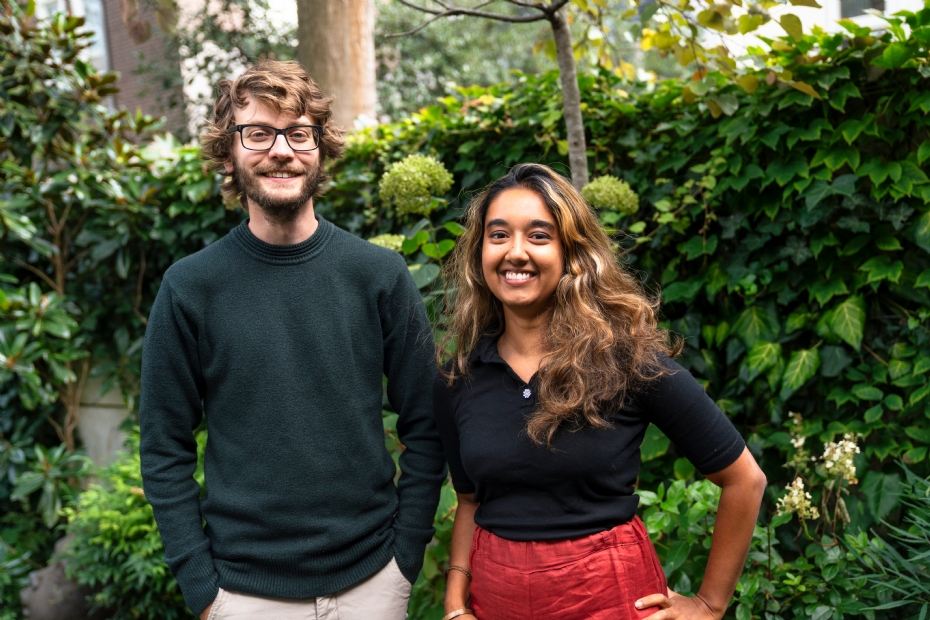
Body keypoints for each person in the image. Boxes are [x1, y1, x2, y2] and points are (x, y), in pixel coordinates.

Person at [139, 60, 447, 620]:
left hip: (373, 582)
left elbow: (427, 421)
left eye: (299, 133)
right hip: (243, 595)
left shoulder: (379, 275)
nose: (281, 150)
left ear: (320, 148)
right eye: (258, 133)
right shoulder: (189, 288)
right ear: (228, 152)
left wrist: (406, 557)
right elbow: (164, 448)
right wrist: (203, 591)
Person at [433, 163, 767, 620]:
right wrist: (455, 603)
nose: (516, 252)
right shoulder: (458, 378)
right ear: (479, 253)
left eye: (538, 236)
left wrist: (709, 604)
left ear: (572, 253)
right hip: (495, 603)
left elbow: (744, 479)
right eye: (498, 235)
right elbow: (470, 500)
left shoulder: (626, 361)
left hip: (609, 599)